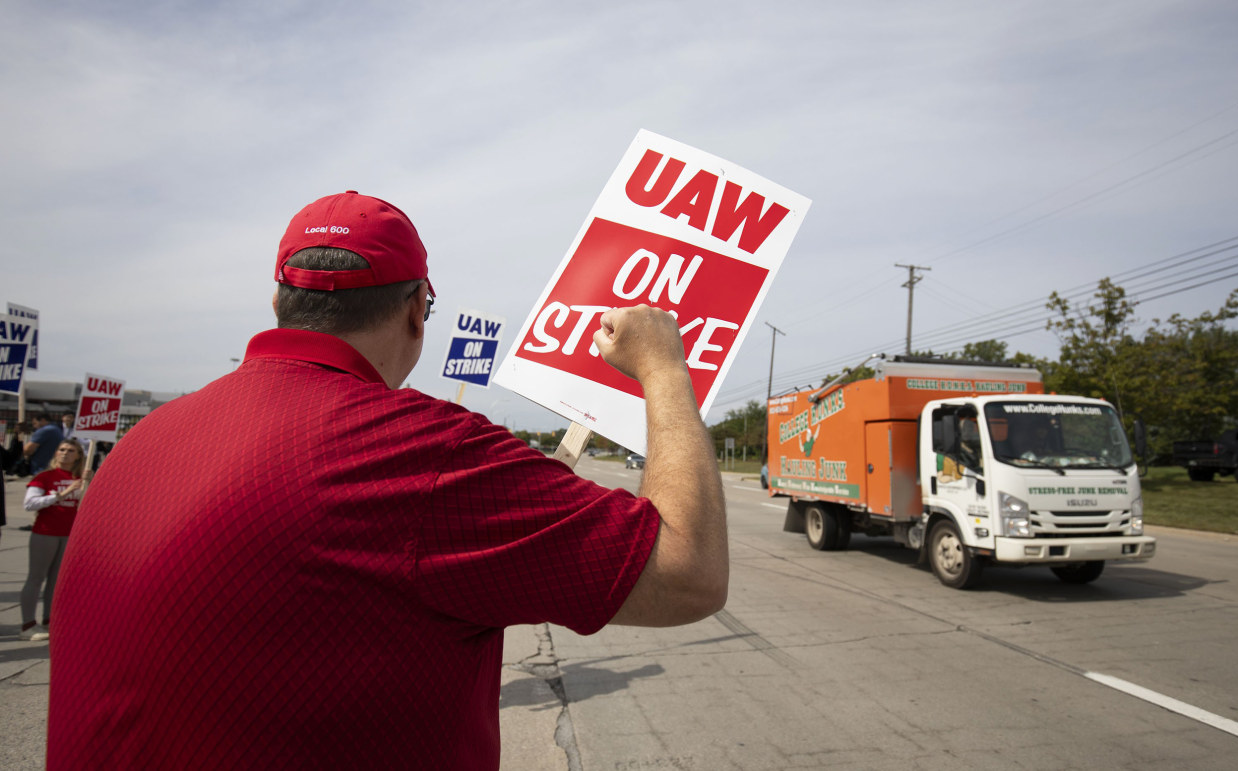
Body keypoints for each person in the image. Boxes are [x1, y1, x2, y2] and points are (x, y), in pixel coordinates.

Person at [48, 191, 728, 769]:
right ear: (414, 312)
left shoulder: (143, 442)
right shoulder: (425, 454)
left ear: (280, 300)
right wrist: (665, 369)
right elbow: (689, 569)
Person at [20, 439, 87, 641]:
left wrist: (90, 483)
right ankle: (28, 624)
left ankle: (50, 620)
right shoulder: (45, 476)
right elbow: (30, 504)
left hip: (68, 535)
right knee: (36, 578)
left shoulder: (81, 478)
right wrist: (62, 494)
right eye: (61, 449)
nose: (65, 453)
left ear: (78, 456)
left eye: (71, 450)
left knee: (56, 582)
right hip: (45, 533)